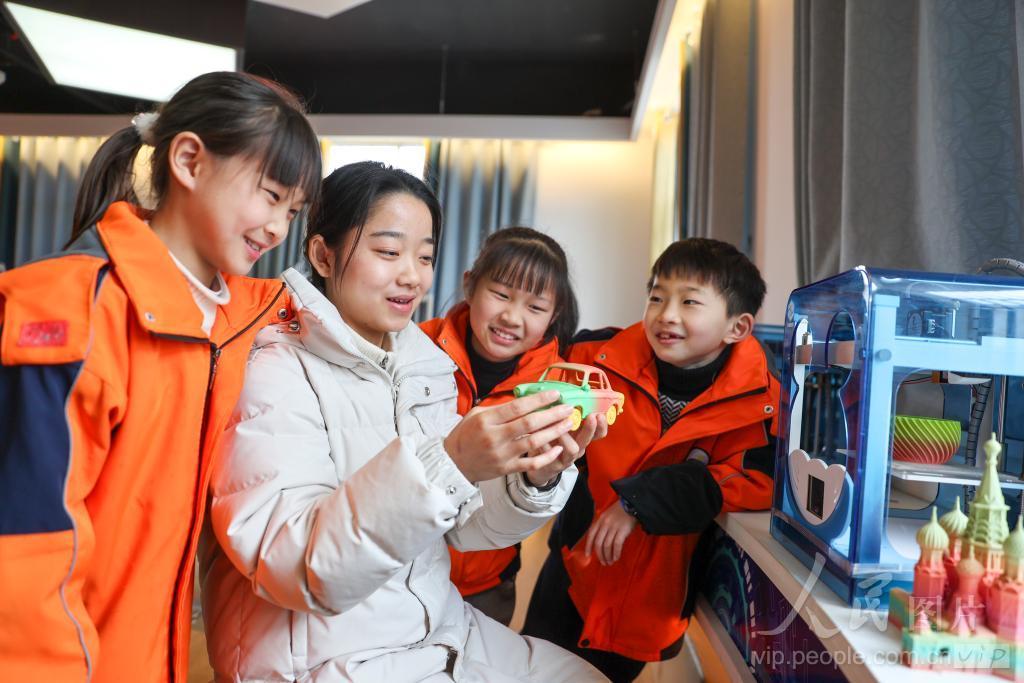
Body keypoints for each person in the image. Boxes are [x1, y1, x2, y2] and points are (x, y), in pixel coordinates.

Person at [201, 161, 608, 682]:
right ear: (323, 255)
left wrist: (535, 477)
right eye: (389, 252)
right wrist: (451, 462)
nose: (412, 276)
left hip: (438, 629)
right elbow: (297, 566)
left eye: (425, 256)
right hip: (329, 659)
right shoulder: (273, 368)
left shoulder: (423, 366)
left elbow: (466, 530)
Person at [0, 71, 321, 683]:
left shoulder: (234, 317)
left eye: (293, 210)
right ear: (190, 161)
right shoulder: (72, 310)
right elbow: (24, 546)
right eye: (270, 195)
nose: (280, 228)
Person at [522, 238, 780, 682]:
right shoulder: (593, 357)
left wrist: (638, 502)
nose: (667, 314)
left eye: (689, 302)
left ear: (737, 327)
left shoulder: (763, 402)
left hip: (650, 597)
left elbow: (757, 481)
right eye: (657, 297)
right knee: (526, 667)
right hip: (572, 566)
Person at [420, 226, 588, 625]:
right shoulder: (416, 349)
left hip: (487, 586)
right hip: (403, 574)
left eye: (535, 307)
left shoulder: (556, 388)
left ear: (554, 316)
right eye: (501, 294)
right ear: (470, 286)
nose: (512, 317)